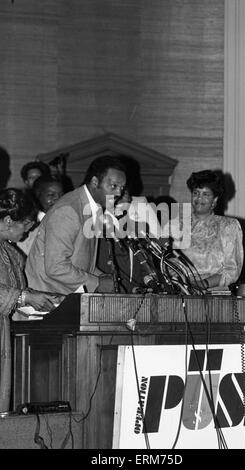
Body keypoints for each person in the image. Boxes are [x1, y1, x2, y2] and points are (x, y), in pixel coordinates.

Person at [26, 155, 127, 295]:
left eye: (122, 187)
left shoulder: (92, 208)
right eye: (114, 186)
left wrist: (101, 277)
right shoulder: (68, 210)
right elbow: (56, 267)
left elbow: (82, 261)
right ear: (95, 182)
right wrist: (98, 282)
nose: (119, 193)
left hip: (64, 298)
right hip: (46, 301)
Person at [0, 188, 63, 412]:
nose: (27, 233)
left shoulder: (10, 253)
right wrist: (25, 296)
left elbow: (16, 291)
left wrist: (42, 298)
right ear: (8, 220)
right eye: (26, 226)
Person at [167, 170, 243, 289]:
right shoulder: (177, 225)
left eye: (205, 194)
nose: (199, 198)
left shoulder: (228, 226)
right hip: (182, 292)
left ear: (215, 199)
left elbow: (232, 270)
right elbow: (169, 260)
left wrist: (203, 284)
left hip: (215, 295)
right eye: (196, 193)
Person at [17, 175, 64, 256]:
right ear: (37, 195)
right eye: (51, 195)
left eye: (61, 194)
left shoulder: (65, 220)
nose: (58, 199)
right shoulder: (28, 222)